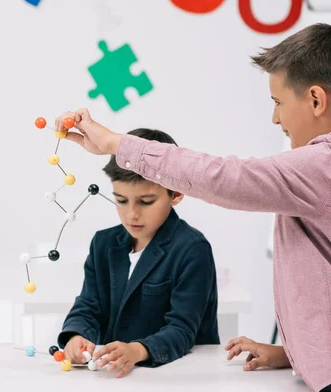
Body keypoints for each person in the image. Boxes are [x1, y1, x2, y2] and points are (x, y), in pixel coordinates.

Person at [54, 23, 331, 392]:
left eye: (278, 103)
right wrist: (295, 352)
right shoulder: (105, 244)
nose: (275, 119)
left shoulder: (320, 164)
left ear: (315, 100)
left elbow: (227, 178)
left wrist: (117, 144)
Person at [57, 128, 219, 378]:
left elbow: (183, 329)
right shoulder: (103, 243)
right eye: (121, 201)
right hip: (118, 377)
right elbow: (89, 305)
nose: (132, 214)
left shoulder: (192, 249)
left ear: (175, 194)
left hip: (179, 376)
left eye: (146, 202)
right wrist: (77, 336)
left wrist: (139, 349)